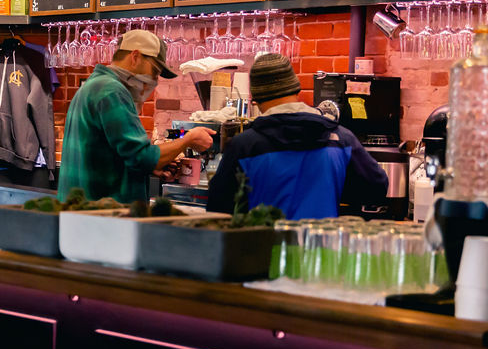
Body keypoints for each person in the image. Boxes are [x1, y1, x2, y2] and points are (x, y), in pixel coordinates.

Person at [207, 54, 389, 219]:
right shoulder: (341, 138)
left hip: (264, 243)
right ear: (296, 90)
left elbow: (218, 208)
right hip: (320, 244)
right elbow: (376, 188)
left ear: (255, 99)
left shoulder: (245, 145)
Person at [58, 30, 214, 203]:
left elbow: (116, 155)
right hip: (104, 212)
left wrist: (152, 168)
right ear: (135, 57)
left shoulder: (93, 85)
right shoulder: (112, 91)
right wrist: (188, 139)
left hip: (81, 208)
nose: (154, 79)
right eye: (154, 70)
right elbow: (142, 157)